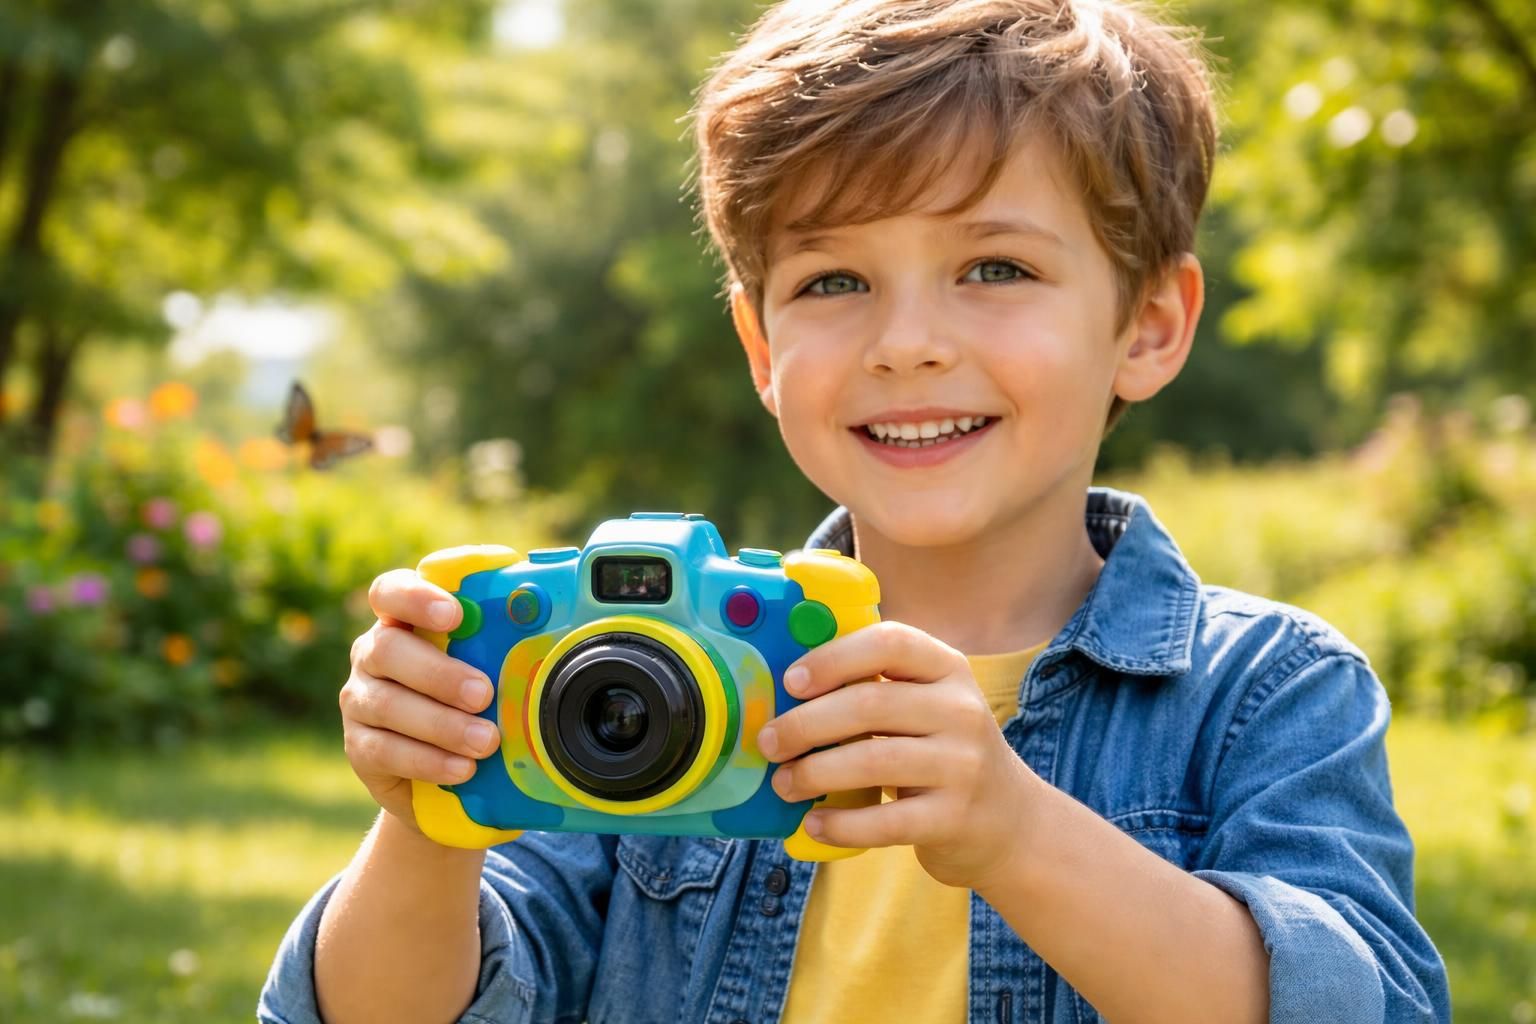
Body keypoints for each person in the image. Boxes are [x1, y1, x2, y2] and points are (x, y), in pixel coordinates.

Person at [259, 1, 1452, 1021]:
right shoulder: (633, 668)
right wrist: (430, 816)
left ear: (1148, 324)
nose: (909, 345)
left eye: (995, 267)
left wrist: (1015, 831)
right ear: (759, 345)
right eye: (834, 281)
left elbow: (1357, 997)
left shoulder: (1268, 691)